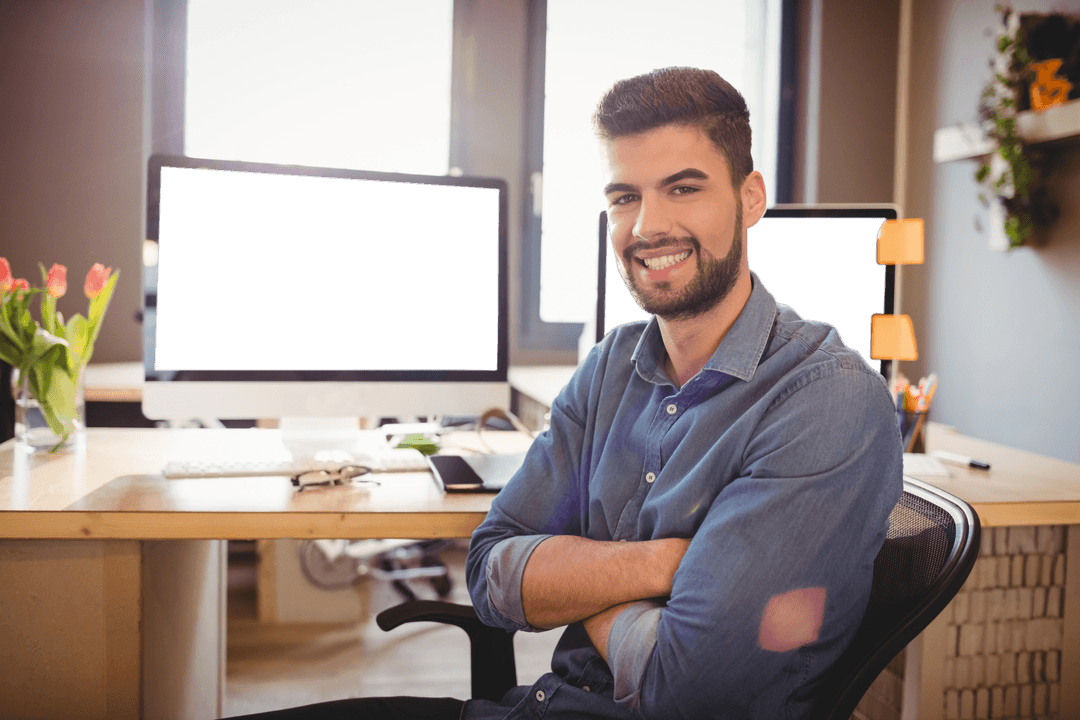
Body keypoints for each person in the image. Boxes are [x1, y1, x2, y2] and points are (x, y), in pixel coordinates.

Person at [228, 66, 902, 720]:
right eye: (624, 197)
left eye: (683, 188)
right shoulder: (610, 367)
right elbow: (492, 571)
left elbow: (686, 689)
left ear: (750, 197)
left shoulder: (826, 402)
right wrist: (667, 564)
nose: (645, 227)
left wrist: (578, 582)